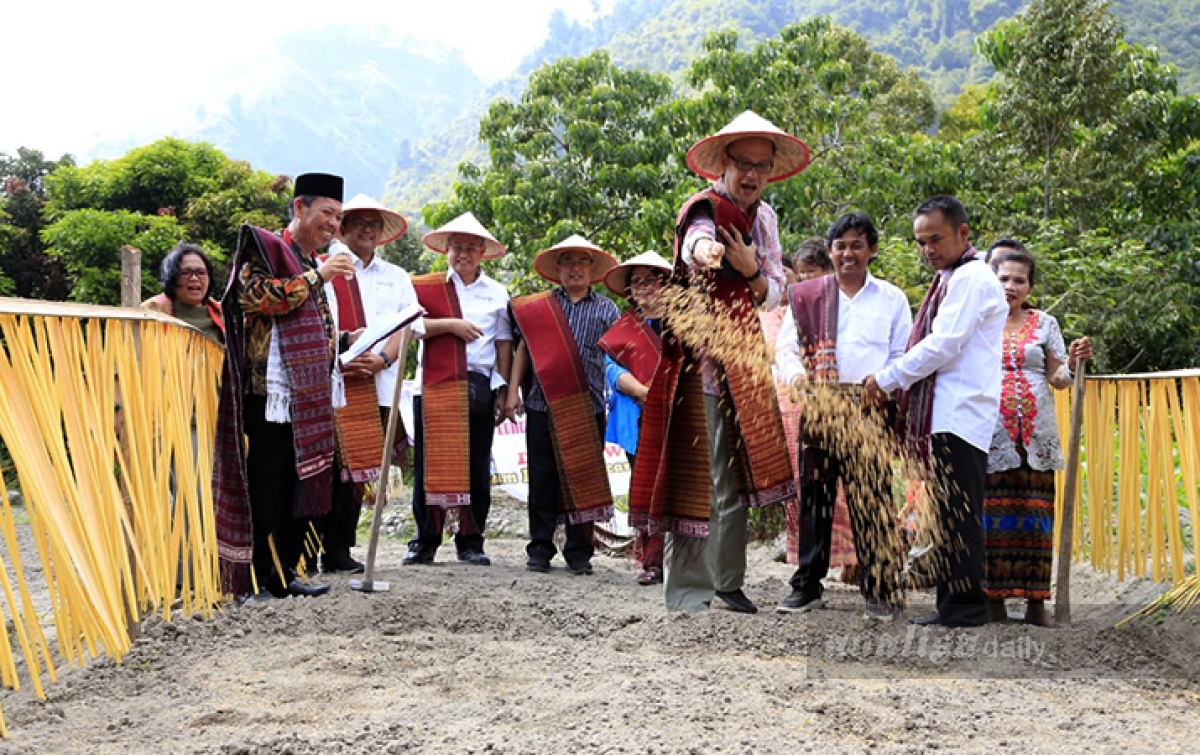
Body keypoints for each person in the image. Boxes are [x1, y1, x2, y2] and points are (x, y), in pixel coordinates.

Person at [630, 111, 803, 614]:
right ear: (724, 165)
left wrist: (750, 270)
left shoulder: (765, 218)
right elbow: (695, 242)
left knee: (734, 477)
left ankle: (728, 581)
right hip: (697, 364)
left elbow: (774, 293)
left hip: (743, 361)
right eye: (744, 163)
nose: (752, 175)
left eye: (763, 166)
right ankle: (688, 592)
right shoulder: (703, 205)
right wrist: (709, 252)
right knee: (698, 476)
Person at [864, 195, 1007, 628]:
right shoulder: (952, 277)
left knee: (956, 513)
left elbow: (944, 344)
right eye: (921, 242)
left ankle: (963, 608)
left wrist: (888, 378)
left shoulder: (970, 277)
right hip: (952, 412)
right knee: (948, 512)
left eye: (936, 239)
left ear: (963, 233)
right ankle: (955, 604)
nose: (928, 250)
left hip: (958, 412)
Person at [213, 172, 356, 602]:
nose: (333, 224)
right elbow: (256, 298)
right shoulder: (267, 248)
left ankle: (284, 575)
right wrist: (321, 276)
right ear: (299, 207)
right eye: (326, 213)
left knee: (303, 485)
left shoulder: (313, 261)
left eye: (338, 216)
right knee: (269, 486)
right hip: (270, 395)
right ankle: (254, 581)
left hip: (308, 395)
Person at [774, 211, 913, 620]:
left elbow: (901, 353)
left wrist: (883, 381)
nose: (847, 253)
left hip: (870, 407)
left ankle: (879, 589)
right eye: (840, 245)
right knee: (815, 497)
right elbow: (787, 348)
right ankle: (807, 585)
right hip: (820, 405)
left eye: (856, 245)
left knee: (871, 499)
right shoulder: (806, 295)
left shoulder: (892, 298)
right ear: (830, 250)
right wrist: (798, 377)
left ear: (872, 250)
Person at [984, 246, 1092, 626]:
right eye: (1004, 279)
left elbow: (1059, 379)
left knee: (1036, 517)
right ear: (990, 279)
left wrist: (1075, 363)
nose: (1011, 286)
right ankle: (993, 603)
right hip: (990, 434)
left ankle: (1035, 605)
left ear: (1030, 286)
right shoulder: (978, 321)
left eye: (1019, 280)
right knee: (992, 517)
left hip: (1036, 434)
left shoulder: (1045, 324)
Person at [506, 234, 619, 576]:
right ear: (558, 269)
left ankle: (579, 552)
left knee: (583, 478)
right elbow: (523, 349)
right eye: (568, 261)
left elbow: (617, 356)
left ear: (591, 268)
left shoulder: (607, 309)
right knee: (542, 478)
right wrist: (513, 391)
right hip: (542, 404)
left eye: (582, 261)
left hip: (588, 407)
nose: (575, 268)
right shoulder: (539, 308)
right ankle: (539, 549)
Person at [404, 212, 511, 567]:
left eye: (470, 247)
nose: (462, 254)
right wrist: (451, 325)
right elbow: (409, 327)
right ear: (446, 250)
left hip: (477, 384)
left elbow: (503, 345)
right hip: (433, 384)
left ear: (482, 251)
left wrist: (504, 389)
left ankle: (471, 540)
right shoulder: (426, 286)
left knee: (476, 465)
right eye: (456, 247)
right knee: (429, 466)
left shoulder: (497, 293)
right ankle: (426, 540)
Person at [319, 193, 417, 574]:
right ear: (342, 227)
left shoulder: (396, 277)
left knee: (356, 473)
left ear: (381, 233)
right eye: (358, 221)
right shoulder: (325, 269)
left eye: (373, 224)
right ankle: (310, 547)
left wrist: (385, 359)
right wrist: (339, 359)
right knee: (324, 468)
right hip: (334, 381)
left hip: (379, 380)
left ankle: (340, 548)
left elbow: (408, 326)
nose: (366, 229)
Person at [598, 251, 672, 585]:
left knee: (680, 488)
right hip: (637, 415)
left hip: (678, 417)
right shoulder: (624, 329)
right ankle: (651, 561)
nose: (643, 288)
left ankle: (684, 560)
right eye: (636, 283)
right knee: (645, 488)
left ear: (666, 284)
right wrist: (640, 391)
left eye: (650, 280)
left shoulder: (683, 324)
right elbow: (611, 368)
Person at [142, 242, 225, 344]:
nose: (194, 278)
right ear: (172, 278)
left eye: (201, 273)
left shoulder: (226, 316)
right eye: (185, 273)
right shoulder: (151, 314)